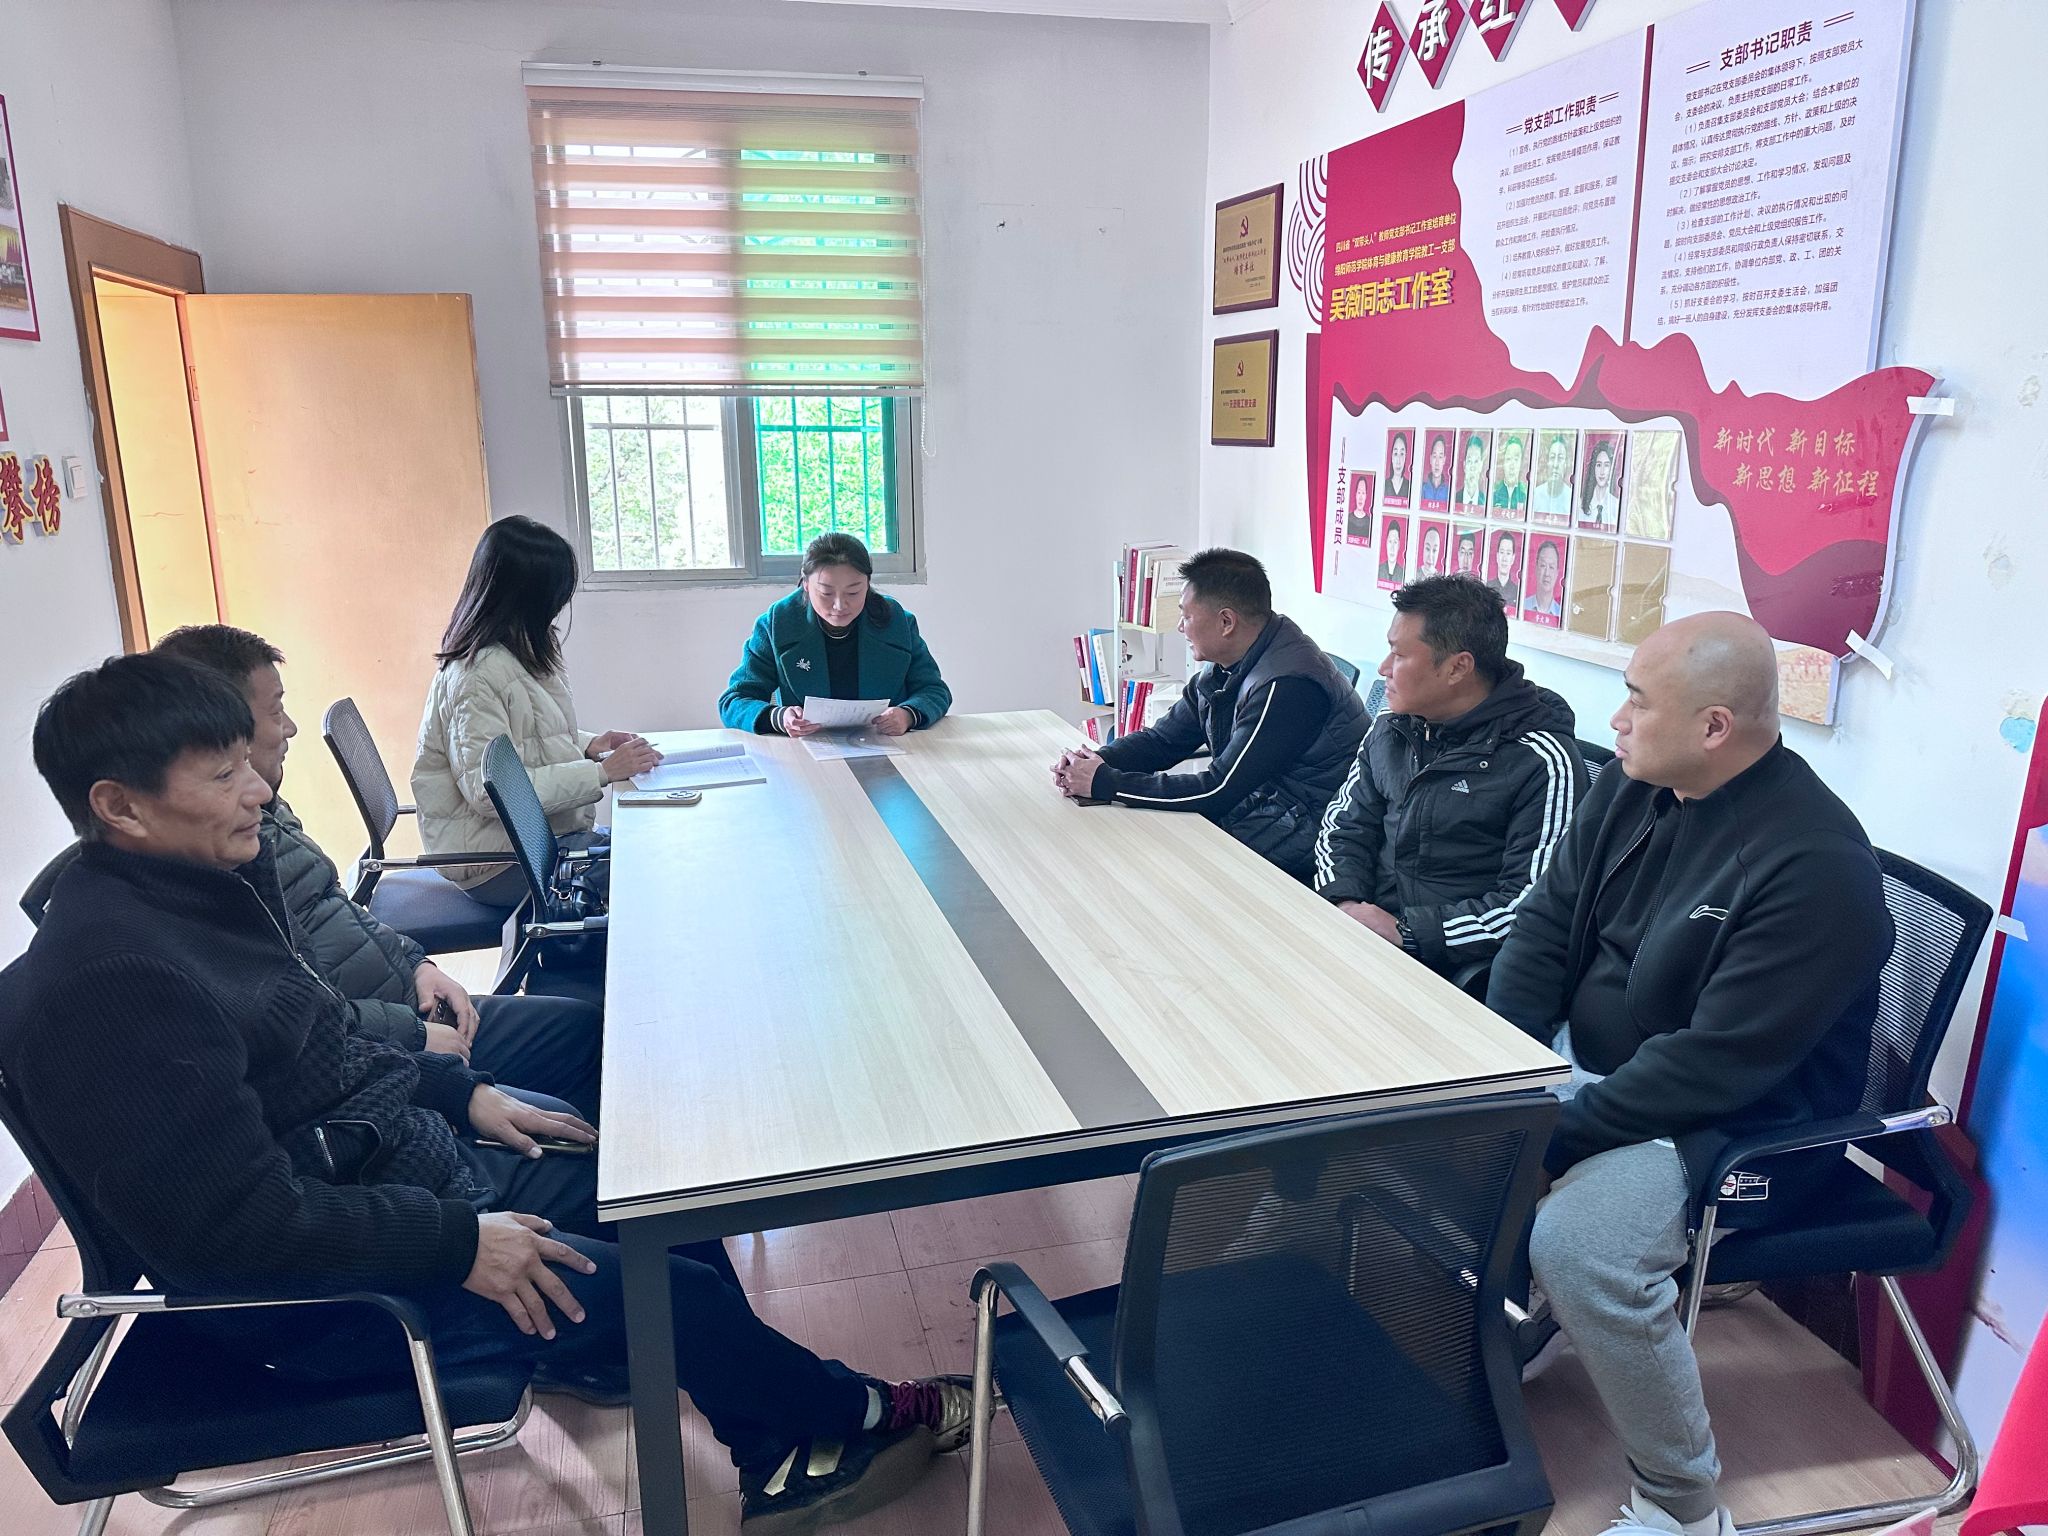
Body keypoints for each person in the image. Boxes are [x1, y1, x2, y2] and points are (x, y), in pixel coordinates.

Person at [0, 653, 975, 1531]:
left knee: (662, 1205)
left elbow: (323, 1046)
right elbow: (232, 1232)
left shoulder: (192, 895)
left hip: (396, 1180)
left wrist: (457, 1091)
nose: (259, 789)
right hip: (333, 1300)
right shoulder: (118, 985)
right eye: (223, 776)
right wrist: (459, 1244)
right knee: (670, 1286)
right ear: (121, 806)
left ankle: (781, 1439)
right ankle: (846, 1416)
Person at [1487, 613, 1893, 1536]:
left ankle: (1684, 1507)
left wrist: (1543, 1138)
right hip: (1602, 1073)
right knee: (1411, 1121)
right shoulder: (1634, 783)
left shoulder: (1815, 867)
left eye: (1637, 701)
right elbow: (1545, 924)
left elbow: (1715, 1067)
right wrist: (1499, 1070)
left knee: (1581, 1246)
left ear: (1714, 727)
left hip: (1735, 1126)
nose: (1616, 719)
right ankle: (1493, 1338)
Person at [154, 624, 604, 1117]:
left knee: (584, 1029)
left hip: (404, 1005)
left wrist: (417, 965)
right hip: (386, 1048)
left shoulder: (265, 809)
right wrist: (416, 1037)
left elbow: (336, 907)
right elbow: (306, 1024)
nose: (291, 728)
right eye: (276, 710)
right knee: (571, 1096)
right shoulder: (220, 858)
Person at [1313, 576, 1583, 993]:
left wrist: (1407, 932)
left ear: (1458, 667)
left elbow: (1531, 903)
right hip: (1364, 931)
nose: (1384, 668)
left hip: (1450, 964)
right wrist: (1346, 902)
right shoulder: (1392, 725)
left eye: (1399, 654)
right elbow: (1343, 826)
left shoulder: (1542, 761)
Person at [1049, 549, 1367, 881]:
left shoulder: (1286, 687)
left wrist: (1105, 782)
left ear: (1226, 622)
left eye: (1186, 616)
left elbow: (1217, 790)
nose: (1180, 627)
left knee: (1157, 869)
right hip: (1268, 810)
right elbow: (1163, 741)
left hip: (1311, 832)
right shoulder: (1228, 666)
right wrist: (1095, 762)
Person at [413, 516, 661, 906]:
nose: (558, 607)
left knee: (654, 842)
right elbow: (492, 792)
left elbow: (522, 739)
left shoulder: (520, 647)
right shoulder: (475, 676)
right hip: (500, 863)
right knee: (656, 861)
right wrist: (601, 772)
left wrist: (589, 744)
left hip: (533, 843)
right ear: (527, 596)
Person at [720, 533, 951, 739]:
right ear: (806, 584)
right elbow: (734, 701)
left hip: (886, 745)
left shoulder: (896, 621)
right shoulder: (777, 623)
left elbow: (934, 690)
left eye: (853, 592)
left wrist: (908, 714)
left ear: (868, 584)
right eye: (826, 593)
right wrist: (778, 717)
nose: (840, 605)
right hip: (808, 751)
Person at [1530, 433, 1575, 523]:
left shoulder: (1572, 498)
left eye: (1560, 458)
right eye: (1552, 457)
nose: (1555, 465)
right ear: (1547, 462)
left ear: (1566, 464)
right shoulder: (1535, 495)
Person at [1580, 437, 1623, 531]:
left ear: (1611, 469)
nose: (1602, 471)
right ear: (1593, 468)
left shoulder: (1617, 506)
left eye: (1606, 465)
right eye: (1599, 465)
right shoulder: (1581, 504)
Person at [1524, 539, 1565, 624]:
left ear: (1557, 573)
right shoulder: (1522, 606)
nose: (1547, 573)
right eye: (1543, 565)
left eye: (1551, 567)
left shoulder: (1561, 614)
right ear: (1536, 568)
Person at [1492, 433, 1530, 515]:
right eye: (1508, 459)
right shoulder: (1494, 492)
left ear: (1521, 464)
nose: (1512, 466)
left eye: (1516, 459)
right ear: (1503, 463)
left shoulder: (1526, 494)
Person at [1455, 432, 1490, 514]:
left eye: (1476, 461)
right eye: (1469, 461)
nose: (1472, 467)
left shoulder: (1485, 501)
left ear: (1481, 465)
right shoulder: (1454, 498)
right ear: (1464, 465)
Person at [1419, 433, 1452, 511]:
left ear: (1444, 460)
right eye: (1434, 456)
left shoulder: (1449, 492)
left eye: (1440, 457)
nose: (1437, 463)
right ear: (1430, 459)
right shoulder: (1421, 489)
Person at [1490, 531, 1523, 609]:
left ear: (1513, 558)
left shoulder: (1517, 592)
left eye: (1508, 553)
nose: (1504, 558)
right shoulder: (1488, 586)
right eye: (1502, 552)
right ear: (1497, 556)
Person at [1383, 431, 1413, 505]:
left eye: (1402, 454)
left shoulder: (1410, 486)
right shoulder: (1384, 485)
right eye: (1396, 454)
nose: (1398, 461)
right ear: (1391, 457)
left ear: (1405, 457)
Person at [1345, 473, 1375, 545]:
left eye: (1363, 493)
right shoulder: (1347, 518)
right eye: (1359, 492)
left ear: (1366, 496)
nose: (1360, 497)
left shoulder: (1369, 522)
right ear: (1355, 494)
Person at [1377, 518, 1407, 585]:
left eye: (1395, 542)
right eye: (1390, 541)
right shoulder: (1378, 570)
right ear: (1386, 543)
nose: (1392, 548)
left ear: (1399, 545)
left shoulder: (1403, 573)